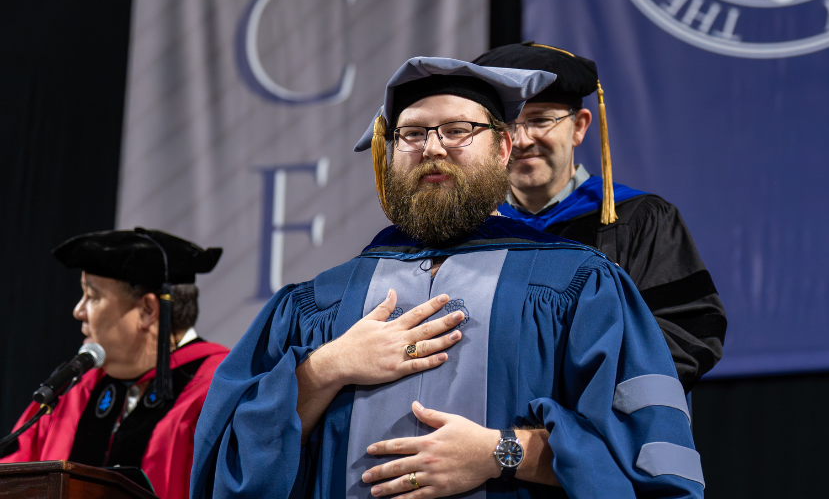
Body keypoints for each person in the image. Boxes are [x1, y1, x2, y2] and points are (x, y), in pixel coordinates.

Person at [191, 57, 703, 499]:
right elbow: (228, 471)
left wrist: (502, 453)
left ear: (503, 149)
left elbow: (649, 463)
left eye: (458, 130)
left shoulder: (580, 285)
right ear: (390, 152)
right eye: (412, 133)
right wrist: (324, 369)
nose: (432, 148)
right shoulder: (318, 303)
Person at [473, 42, 727, 392]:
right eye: (506, 126)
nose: (522, 140)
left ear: (579, 126)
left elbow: (687, 332)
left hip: (602, 416)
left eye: (540, 120)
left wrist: (578, 396)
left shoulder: (639, 219)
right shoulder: (471, 230)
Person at [1, 228, 228, 499]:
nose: (78, 311)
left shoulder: (218, 393)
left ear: (147, 310)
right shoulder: (75, 391)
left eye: (93, 296)